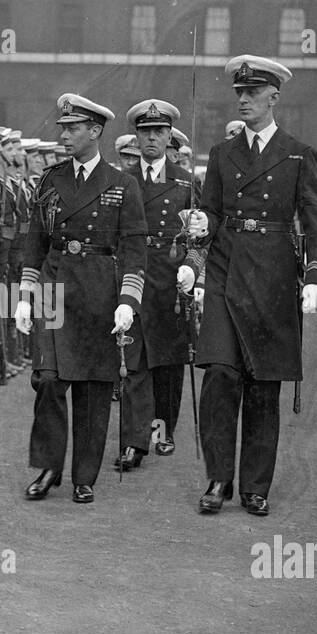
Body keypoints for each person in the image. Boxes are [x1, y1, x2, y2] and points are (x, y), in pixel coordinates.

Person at [183, 55, 317, 517]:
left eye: (252, 92)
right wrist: (195, 250)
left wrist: (316, 276)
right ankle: (218, 478)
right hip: (227, 269)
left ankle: (255, 486)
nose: (243, 99)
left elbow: (315, 221)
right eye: (239, 93)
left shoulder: (297, 154)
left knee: (263, 384)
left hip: (273, 275)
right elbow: (209, 219)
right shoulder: (223, 154)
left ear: (274, 97)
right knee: (222, 375)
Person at [15, 94, 147, 504]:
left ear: (96, 132)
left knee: (93, 388)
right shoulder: (51, 179)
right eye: (63, 128)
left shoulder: (123, 184)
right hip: (55, 288)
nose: (65, 135)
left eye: (74, 128)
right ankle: (49, 466)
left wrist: (128, 300)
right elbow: (36, 241)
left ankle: (84, 476)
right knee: (49, 380)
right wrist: (24, 296)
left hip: (100, 292)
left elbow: (135, 247)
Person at [114, 98, 197, 467]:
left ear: (169, 137)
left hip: (170, 278)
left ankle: (162, 431)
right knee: (133, 359)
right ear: (137, 136)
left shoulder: (185, 183)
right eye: (145, 132)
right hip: (134, 275)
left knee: (167, 362)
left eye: (159, 132)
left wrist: (193, 271)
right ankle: (133, 442)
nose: (151, 139)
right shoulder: (122, 181)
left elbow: (201, 238)